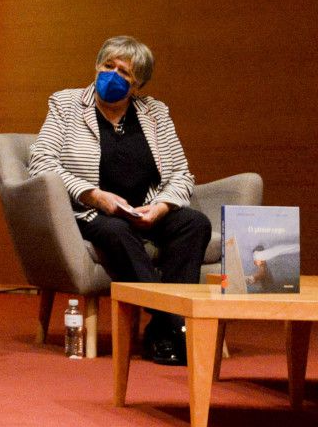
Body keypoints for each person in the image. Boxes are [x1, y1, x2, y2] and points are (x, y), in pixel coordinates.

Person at [29, 35, 211, 366]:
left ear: (138, 83)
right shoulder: (66, 104)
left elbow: (182, 173)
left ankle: (161, 330)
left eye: (123, 72)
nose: (111, 75)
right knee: (116, 232)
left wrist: (162, 207)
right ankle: (175, 324)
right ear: (96, 66)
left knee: (195, 223)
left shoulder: (155, 112)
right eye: (106, 65)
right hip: (92, 212)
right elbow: (41, 162)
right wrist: (94, 195)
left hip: (145, 207)